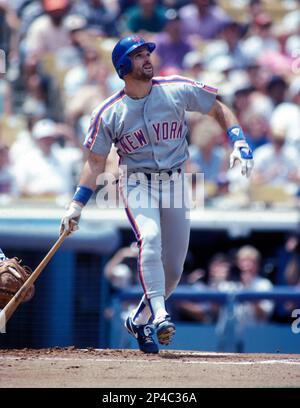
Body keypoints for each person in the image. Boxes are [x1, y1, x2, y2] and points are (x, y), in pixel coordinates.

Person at [59, 35, 254, 354]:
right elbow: (95, 162)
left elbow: (217, 107)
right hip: (137, 182)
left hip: (176, 181)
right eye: (137, 55)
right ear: (123, 66)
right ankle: (161, 315)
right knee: (149, 238)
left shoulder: (174, 87)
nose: (147, 58)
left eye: (147, 52)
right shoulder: (108, 112)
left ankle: (139, 320)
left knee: (174, 270)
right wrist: (76, 204)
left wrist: (239, 141)